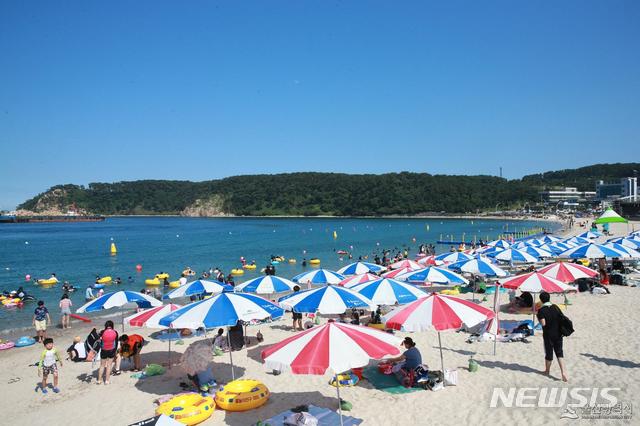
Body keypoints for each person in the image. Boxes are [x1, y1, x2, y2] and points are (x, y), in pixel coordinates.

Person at [536, 291, 568, 382]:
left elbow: (543, 323)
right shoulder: (556, 307)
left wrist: (538, 317)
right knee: (559, 353)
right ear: (549, 298)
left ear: (541, 300)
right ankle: (563, 372)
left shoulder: (541, 310)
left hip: (548, 334)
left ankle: (547, 371)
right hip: (558, 333)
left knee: (549, 353)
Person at [97, 320, 119, 385]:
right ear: (112, 325)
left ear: (106, 325)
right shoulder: (115, 332)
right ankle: (107, 381)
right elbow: (116, 343)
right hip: (112, 350)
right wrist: (115, 351)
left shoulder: (102, 332)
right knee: (109, 365)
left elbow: (98, 338)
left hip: (104, 350)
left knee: (102, 365)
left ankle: (99, 380)